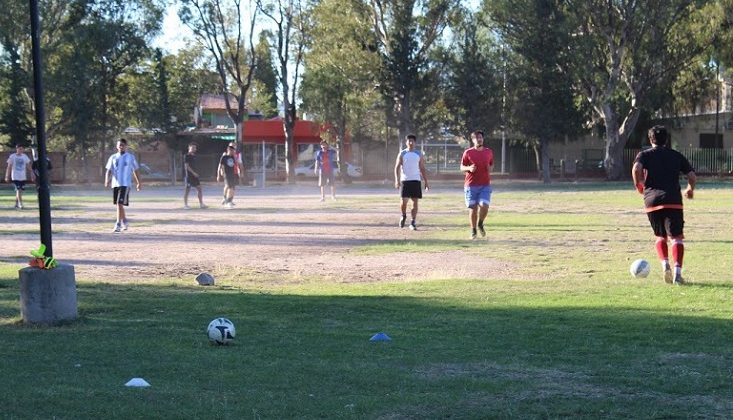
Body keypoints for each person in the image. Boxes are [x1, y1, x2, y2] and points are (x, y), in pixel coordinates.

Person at [632, 125, 696, 285]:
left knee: (660, 236)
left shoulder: (644, 155)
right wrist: (690, 189)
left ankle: (664, 264)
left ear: (650, 139)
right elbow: (691, 175)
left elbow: (636, 168)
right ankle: (677, 273)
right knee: (676, 238)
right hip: (673, 200)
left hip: (651, 200)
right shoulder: (676, 155)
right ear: (666, 139)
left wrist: (639, 185)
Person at [460, 130, 494, 240]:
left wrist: (490, 169)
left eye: (481, 137)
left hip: (485, 184)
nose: (479, 139)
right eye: (477, 138)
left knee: (484, 206)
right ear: (473, 140)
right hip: (471, 185)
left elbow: (491, 165)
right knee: (473, 209)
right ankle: (473, 230)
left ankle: (480, 223)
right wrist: (469, 168)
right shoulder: (468, 152)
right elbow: (461, 167)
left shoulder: (488, 152)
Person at [104, 138, 142, 233]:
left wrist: (138, 183)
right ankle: (125, 221)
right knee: (118, 204)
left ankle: (118, 224)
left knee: (119, 203)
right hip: (115, 184)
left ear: (126, 146)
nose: (121, 146)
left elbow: (135, 170)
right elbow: (108, 170)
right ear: (117, 146)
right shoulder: (113, 157)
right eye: (119, 145)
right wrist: (106, 180)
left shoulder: (130, 157)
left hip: (125, 184)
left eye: (123, 145)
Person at [394, 134, 429, 230]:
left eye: (412, 141)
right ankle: (403, 215)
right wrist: (397, 180)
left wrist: (426, 182)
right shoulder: (402, 153)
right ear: (406, 142)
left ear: (415, 142)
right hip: (405, 180)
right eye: (408, 141)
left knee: (414, 202)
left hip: (416, 181)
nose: (410, 142)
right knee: (404, 201)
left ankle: (413, 222)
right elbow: (396, 167)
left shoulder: (418, 154)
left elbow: (422, 168)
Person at [5, 144, 34, 209]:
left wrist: (32, 173)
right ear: (17, 149)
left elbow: (28, 166)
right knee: (19, 189)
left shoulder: (25, 156)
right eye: (19, 149)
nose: (20, 150)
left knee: (20, 190)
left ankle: (16, 203)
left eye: (22, 149)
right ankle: (20, 204)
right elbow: (9, 167)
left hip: (23, 176)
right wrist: (7, 176)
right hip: (15, 176)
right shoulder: (12, 156)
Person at [183, 142, 207, 209]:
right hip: (189, 176)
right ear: (189, 148)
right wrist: (193, 173)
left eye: (195, 148)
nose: (194, 149)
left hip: (195, 176)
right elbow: (186, 166)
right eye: (192, 147)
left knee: (199, 189)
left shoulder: (194, 156)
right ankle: (185, 205)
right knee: (187, 190)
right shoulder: (186, 156)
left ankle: (201, 204)